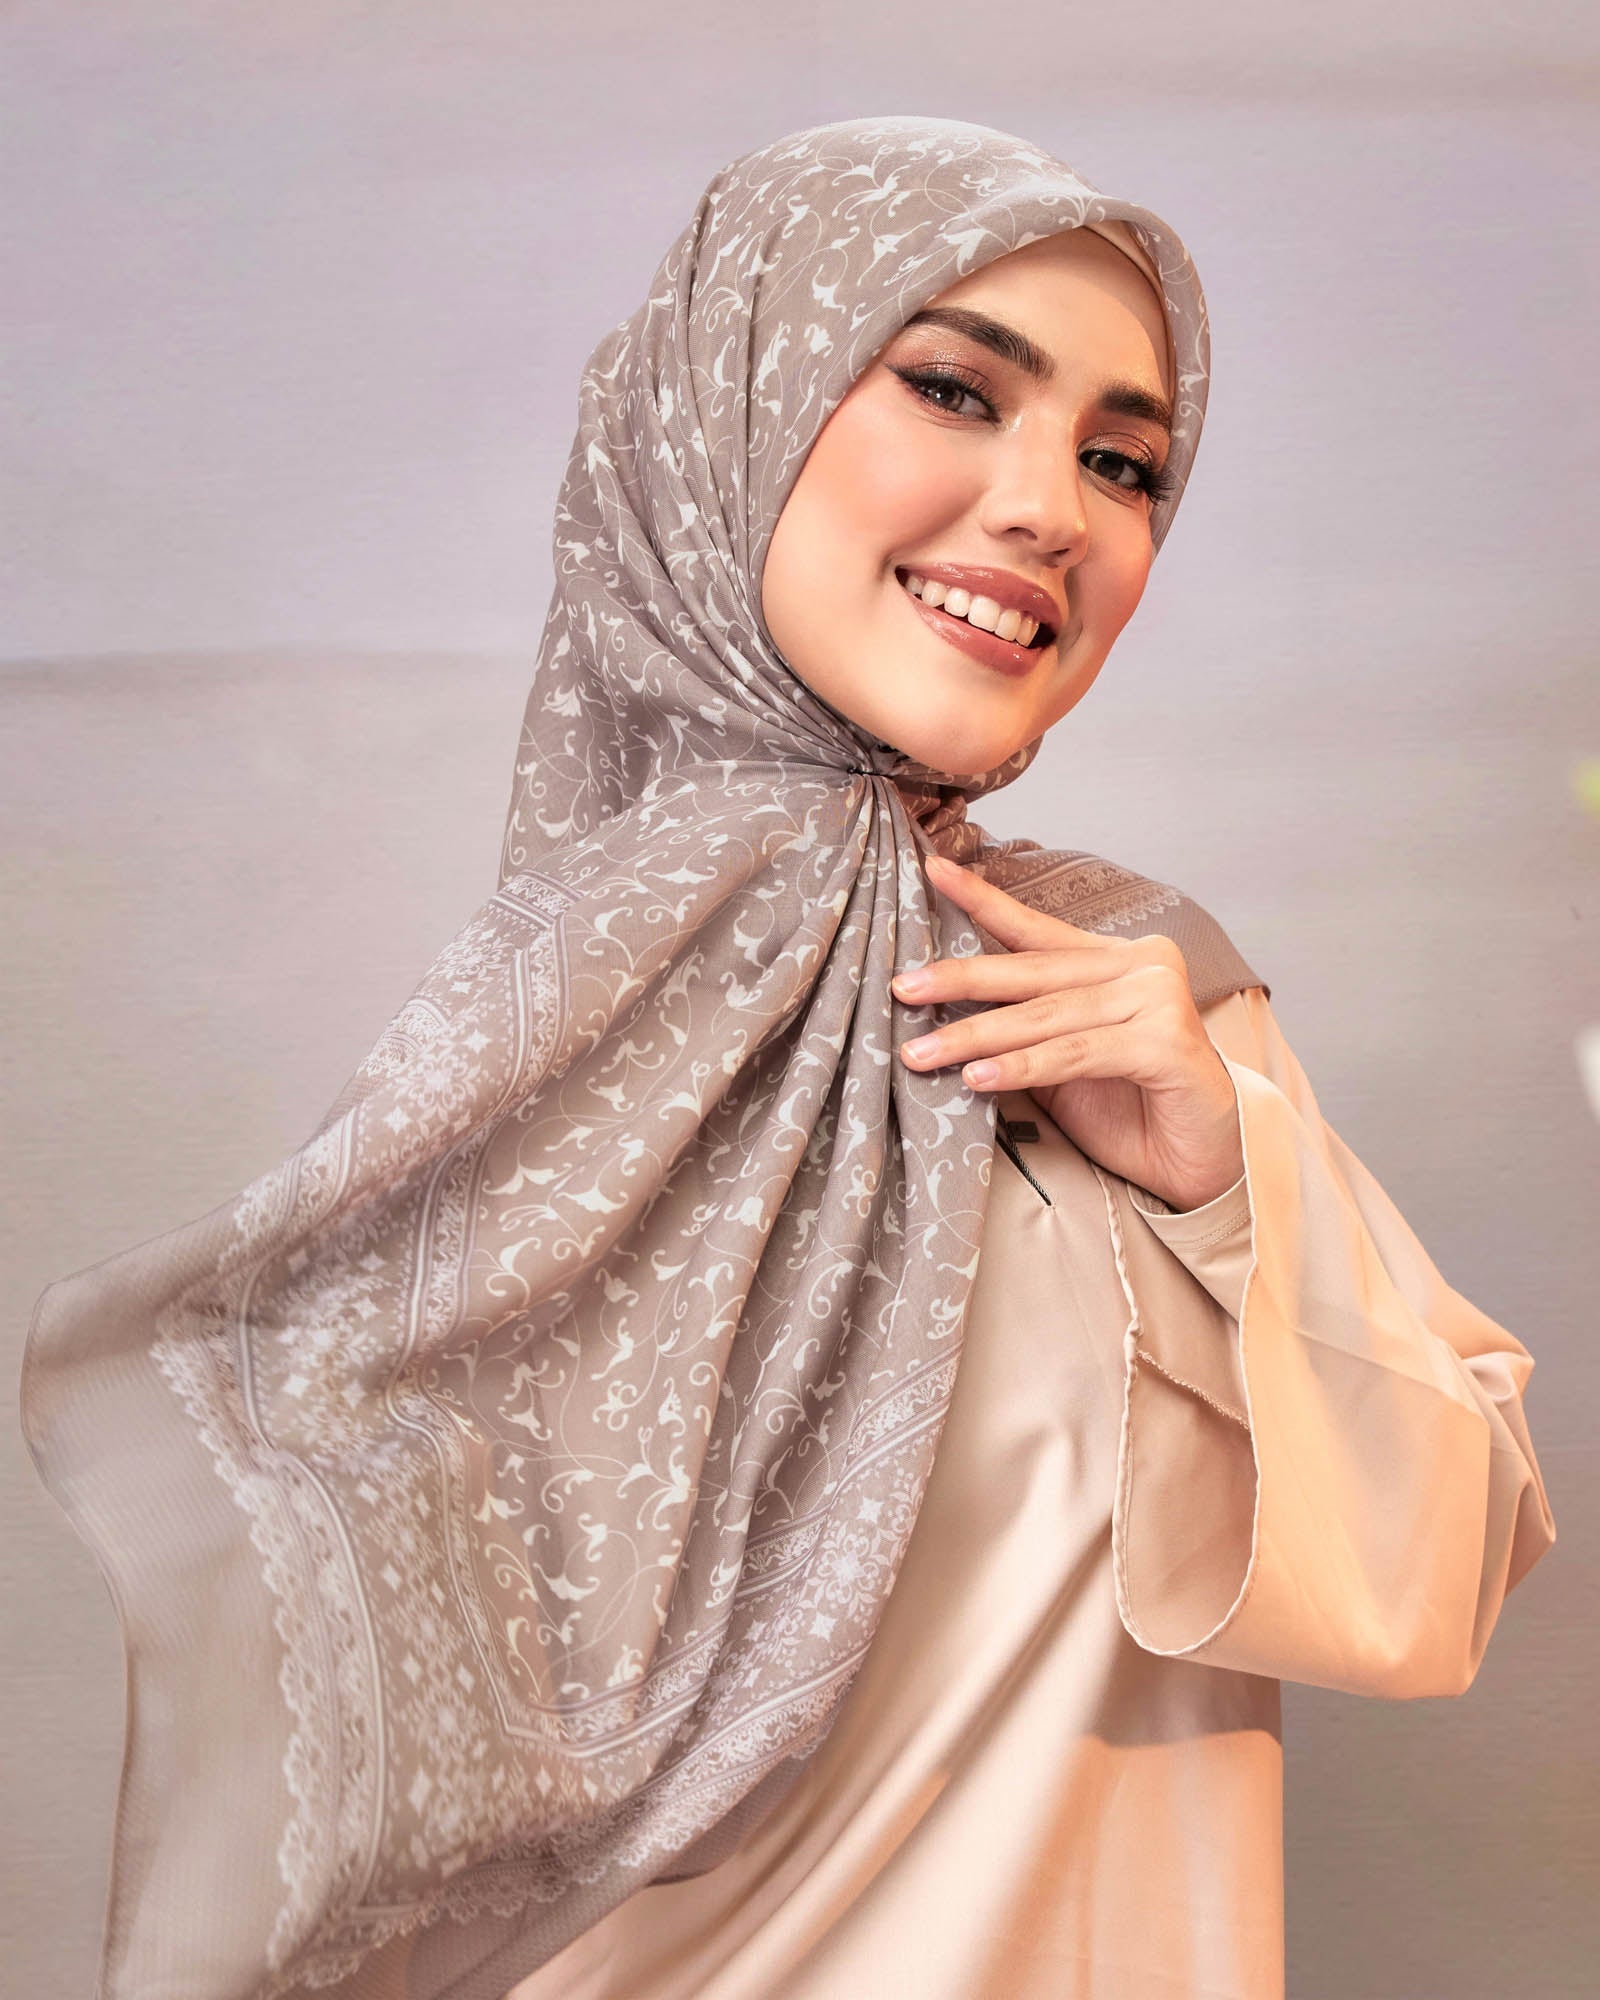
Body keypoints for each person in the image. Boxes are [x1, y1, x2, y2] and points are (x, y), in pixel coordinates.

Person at [20, 116, 1555, 2000]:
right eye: (953, 388)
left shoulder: (1133, 1011)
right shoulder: (526, 1051)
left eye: (1124, 461)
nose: (1051, 511)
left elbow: (1439, 1580)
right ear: (728, 408)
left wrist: (1230, 1190)